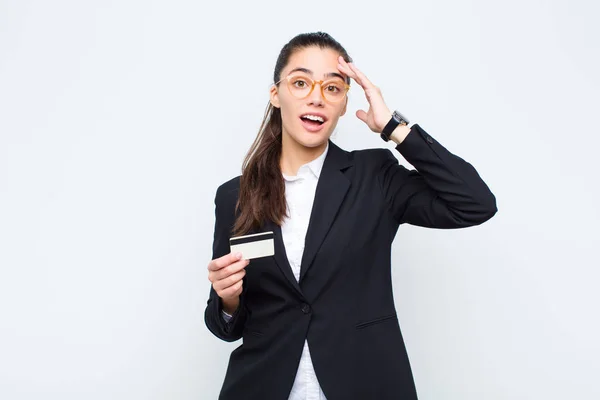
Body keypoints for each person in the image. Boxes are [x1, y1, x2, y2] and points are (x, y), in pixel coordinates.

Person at [204, 31, 497, 400]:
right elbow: (225, 327)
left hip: (365, 384)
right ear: (276, 94)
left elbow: (474, 203)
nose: (316, 96)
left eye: (333, 88)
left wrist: (393, 126)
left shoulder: (374, 176)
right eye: (300, 82)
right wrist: (227, 300)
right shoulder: (234, 195)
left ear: (344, 103)